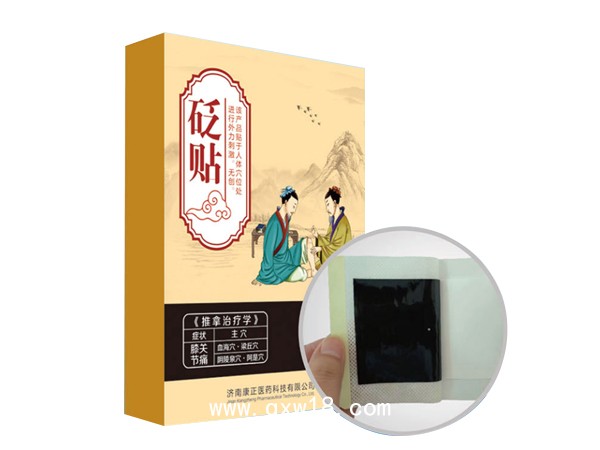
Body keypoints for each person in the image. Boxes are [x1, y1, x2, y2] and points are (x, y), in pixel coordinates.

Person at [252, 186, 317, 285]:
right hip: (279, 264)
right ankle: (310, 273)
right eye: (293, 205)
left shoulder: (286, 217)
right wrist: (264, 275)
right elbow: (268, 251)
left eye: (295, 206)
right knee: (300, 273)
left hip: (287, 256)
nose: (294, 209)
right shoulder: (274, 222)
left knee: (308, 241)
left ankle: (313, 269)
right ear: (286, 202)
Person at [311, 186, 352, 268]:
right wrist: (317, 236)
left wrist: (320, 249)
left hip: (341, 261)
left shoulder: (343, 223)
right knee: (316, 267)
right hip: (332, 259)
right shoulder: (333, 220)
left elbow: (338, 248)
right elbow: (328, 240)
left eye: (328, 204)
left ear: (335, 202)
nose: (327, 209)